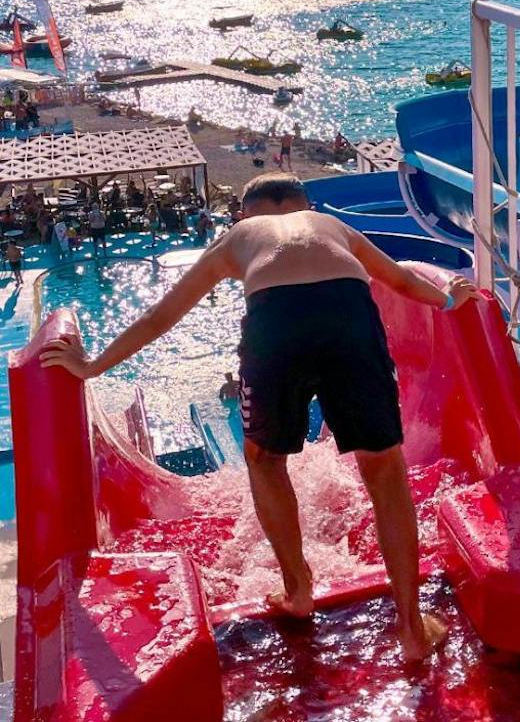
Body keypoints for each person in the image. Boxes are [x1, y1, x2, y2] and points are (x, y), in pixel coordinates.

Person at [42, 173, 479, 658]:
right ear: (305, 205)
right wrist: (449, 298)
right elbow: (399, 279)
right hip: (349, 317)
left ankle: (298, 589)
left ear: (245, 213)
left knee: (266, 460)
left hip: (276, 323)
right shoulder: (333, 226)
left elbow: (160, 316)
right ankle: (412, 628)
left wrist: (91, 366)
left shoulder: (238, 237)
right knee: (384, 468)